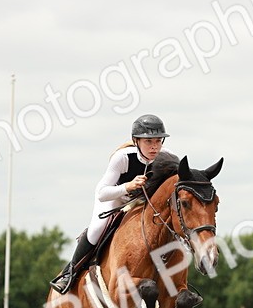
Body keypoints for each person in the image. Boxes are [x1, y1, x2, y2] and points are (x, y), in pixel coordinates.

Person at [49, 113, 172, 294]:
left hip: (141, 206)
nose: (154, 147)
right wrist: (127, 186)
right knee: (97, 228)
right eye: (148, 142)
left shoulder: (166, 160)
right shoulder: (123, 158)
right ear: (136, 141)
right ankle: (70, 272)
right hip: (113, 201)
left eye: (158, 141)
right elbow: (101, 193)